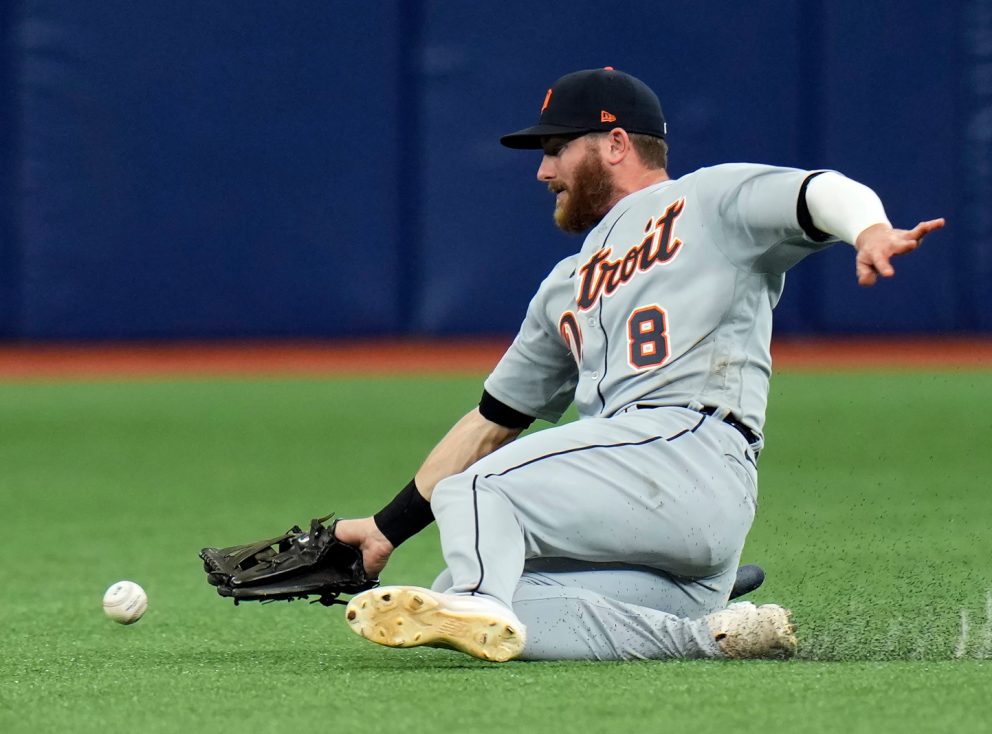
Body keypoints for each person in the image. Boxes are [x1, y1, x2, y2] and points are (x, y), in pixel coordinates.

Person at [334, 67, 945, 662]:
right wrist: (386, 530)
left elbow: (818, 191)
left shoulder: (704, 201)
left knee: (478, 491)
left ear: (616, 143)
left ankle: (477, 598)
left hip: (691, 448)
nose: (543, 170)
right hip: (649, 507)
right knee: (468, 584)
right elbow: (491, 423)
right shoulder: (566, 284)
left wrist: (868, 229)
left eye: (556, 148)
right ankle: (709, 635)